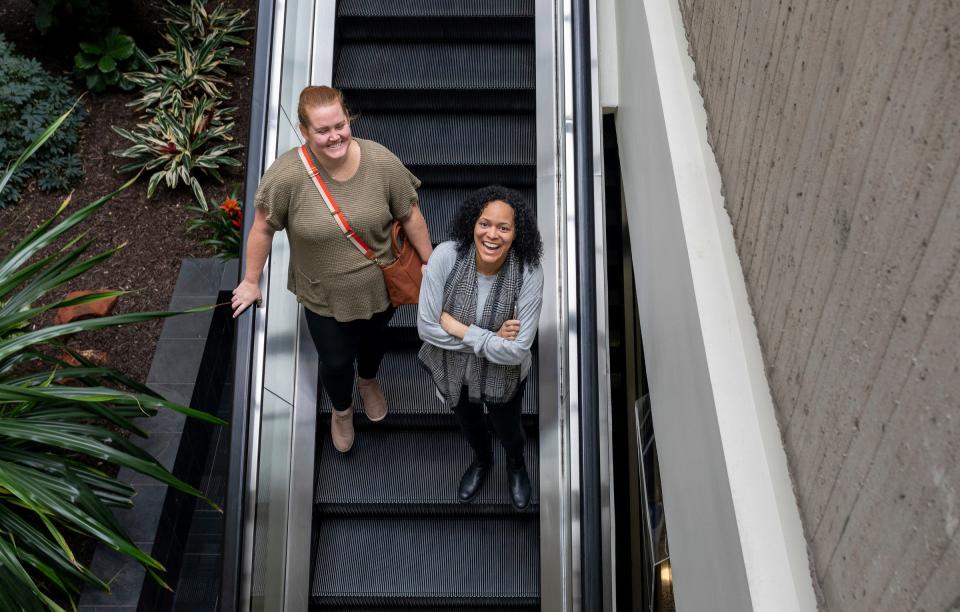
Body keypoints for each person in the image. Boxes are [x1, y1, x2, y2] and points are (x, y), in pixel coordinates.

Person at [232, 85, 433, 453]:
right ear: (305, 131)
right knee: (336, 360)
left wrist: (428, 260)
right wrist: (249, 281)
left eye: (339, 125)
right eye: (322, 130)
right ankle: (342, 411)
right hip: (324, 296)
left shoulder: (380, 161)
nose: (334, 136)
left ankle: (369, 380)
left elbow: (410, 213)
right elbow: (262, 227)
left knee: (374, 344)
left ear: (348, 119)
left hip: (380, 287)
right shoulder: (288, 176)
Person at [417, 185, 544, 510]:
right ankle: (483, 460)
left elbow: (517, 351)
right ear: (472, 223)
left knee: (510, 429)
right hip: (453, 374)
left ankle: (515, 463)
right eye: (485, 223)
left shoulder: (528, 273)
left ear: (517, 234)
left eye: (504, 227)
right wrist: (491, 338)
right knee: (470, 425)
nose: (492, 234)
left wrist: (459, 328)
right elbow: (427, 328)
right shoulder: (446, 256)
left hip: (504, 376)